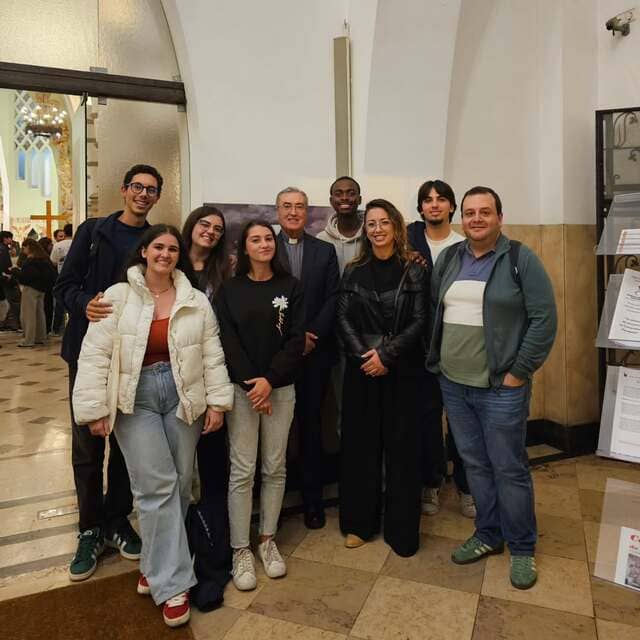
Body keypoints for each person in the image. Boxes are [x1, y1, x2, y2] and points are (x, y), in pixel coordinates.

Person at [72, 224, 233, 627]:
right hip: (135, 398)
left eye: (172, 249)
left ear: (180, 256)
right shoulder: (116, 296)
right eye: (158, 247)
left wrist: (217, 402)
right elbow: (94, 355)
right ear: (144, 252)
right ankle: (174, 584)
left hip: (183, 396)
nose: (165, 254)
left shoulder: (195, 299)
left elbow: (212, 354)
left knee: (180, 483)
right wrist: (93, 410)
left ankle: (154, 562)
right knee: (155, 485)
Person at [428, 185, 557, 590]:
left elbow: (544, 319)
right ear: (461, 218)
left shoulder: (520, 258)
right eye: (470, 213)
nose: (477, 219)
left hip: (502, 387)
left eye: (485, 212)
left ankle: (521, 547)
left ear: (500, 217)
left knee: (508, 467)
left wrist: (519, 371)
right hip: (454, 384)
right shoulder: (450, 258)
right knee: (475, 464)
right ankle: (488, 534)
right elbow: (436, 310)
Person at [55, 164, 163, 581]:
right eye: (137, 186)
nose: (143, 194)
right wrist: (84, 303)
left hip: (131, 357)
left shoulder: (153, 242)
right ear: (124, 190)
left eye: (150, 190)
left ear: (156, 197)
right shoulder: (93, 232)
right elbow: (64, 285)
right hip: (87, 353)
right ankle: (89, 528)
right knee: (87, 444)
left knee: (123, 443)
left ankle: (117, 519)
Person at [215, 219, 305, 591]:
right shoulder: (230, 290)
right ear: (244, 247)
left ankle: (267, 539)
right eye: (256, 239)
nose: (264, 244)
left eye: (269, 238)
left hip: (280, 389)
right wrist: (254, 384)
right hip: (243, 391)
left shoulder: (291, 287)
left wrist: (270, 381)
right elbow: (227, 340)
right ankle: (240, 548)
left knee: (274, 466)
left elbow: (296, 340)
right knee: (242, 470)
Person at [338, 199, 428, 558]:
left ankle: (401, 530)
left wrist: (386, 355)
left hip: (402, 370)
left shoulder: (414, 270)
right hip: (361, 369)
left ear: (396, 226)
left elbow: (420, 320)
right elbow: (343, 318)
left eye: (383, 222)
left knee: (403, 451)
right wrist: (367, 356)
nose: (377, 229)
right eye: (371, 224)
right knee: (360, 448)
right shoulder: (353, 270)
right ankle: (359, 524)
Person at [407, 180, 475, 519]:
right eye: (428, 200)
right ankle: (431, 482)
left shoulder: (464, 246)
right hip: (419, 347)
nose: (434, 204)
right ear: (420, 208)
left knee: (462, 422)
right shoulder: (409, 241)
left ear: (451, 207)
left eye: (441, 199)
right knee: (427, 419)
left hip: (457, 345)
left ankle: (466, 486)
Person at [275, 187, 339, 529]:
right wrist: (293, 341)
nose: (293, 212)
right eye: (287, 206)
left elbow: (333, 298)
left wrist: (311, 336)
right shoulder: (264, 248)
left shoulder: (324, 251)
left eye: (299, 206)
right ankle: (274, 503)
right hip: (277, 357)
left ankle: (313, 500)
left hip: (315, 355)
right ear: (278, 211)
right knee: (277, 432)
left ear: (307, 212)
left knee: (312, 427)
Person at [181, 206, 232, 501]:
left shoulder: (224, 270)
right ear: (192, 225)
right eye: (205, 224)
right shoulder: (172, 263)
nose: (210, 232)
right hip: (178, 364)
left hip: (212, 364)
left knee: (212, 443)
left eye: (218, 229)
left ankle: (211, 516)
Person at [13, 238, 57, 347]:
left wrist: (15, 271)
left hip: (30, 289)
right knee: (40, 314)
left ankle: (28, 340)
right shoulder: (44, 259)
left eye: (24, 248)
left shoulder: (31, 260)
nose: (23, 250)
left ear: (28, 247)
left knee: (28, 315)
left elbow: (26, 277)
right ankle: (40, 337)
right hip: (42, 289)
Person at [317, 176, 363, 275]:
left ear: (359, 199)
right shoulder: (321, 239)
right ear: (331, 201)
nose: (344, 198)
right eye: (338, 194)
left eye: (351, 193)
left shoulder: (372, 236)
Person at [50, 223, 73, 335]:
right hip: (77, 276)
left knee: (59, 303)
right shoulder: (78, 243)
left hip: (61, 275)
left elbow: (53, 261)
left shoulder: (58, 245)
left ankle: (57, 329)